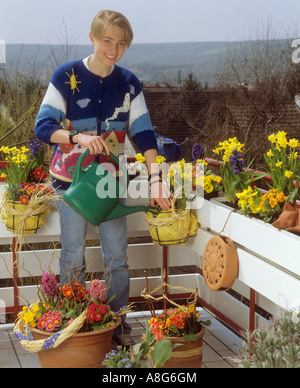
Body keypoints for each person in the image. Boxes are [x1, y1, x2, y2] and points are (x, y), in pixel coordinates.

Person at [34, 10, 171, 346]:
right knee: (73, 256)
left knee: (116, 257)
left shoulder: (128, 82)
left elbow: (143, 132)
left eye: (121, 43)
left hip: (112, 182)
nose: (114, 49)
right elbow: (43, 127)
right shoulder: (66, 76)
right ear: (93, 38)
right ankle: (75, 325)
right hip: (71, 183)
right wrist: (76, 138)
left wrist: (156, 178)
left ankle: (116, 325)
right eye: (107, 40)